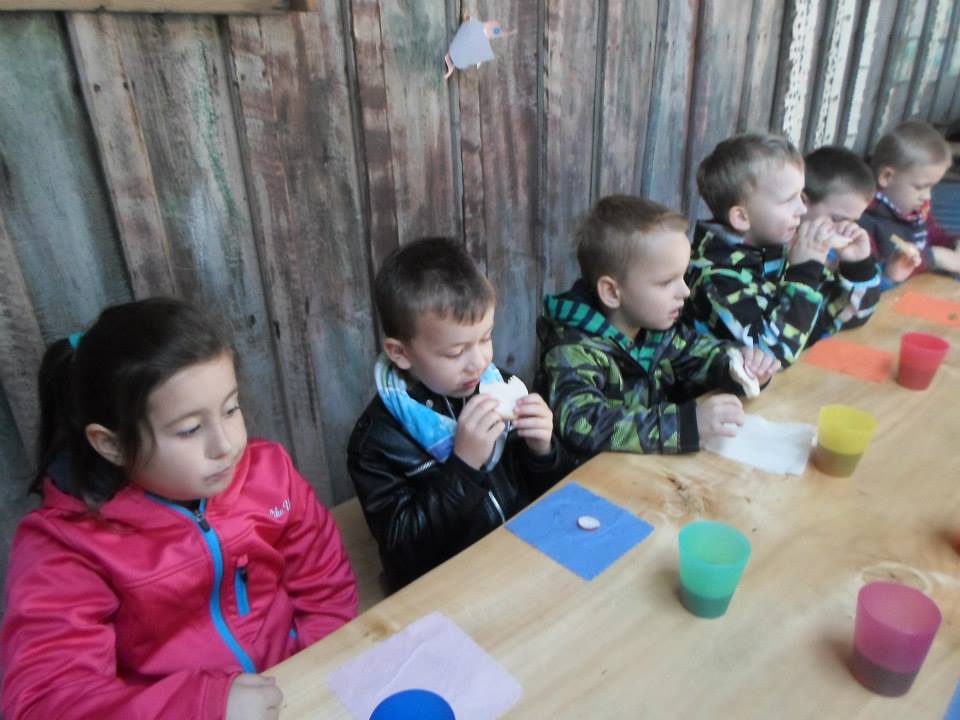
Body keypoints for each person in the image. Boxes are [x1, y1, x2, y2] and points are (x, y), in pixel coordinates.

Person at [1, 298, 358, 720]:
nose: (226, 445)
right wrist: (203, 707)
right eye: (189, 429)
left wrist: (316, 665)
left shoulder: (269, 473)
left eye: (231, 409)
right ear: (112, 445)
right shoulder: (65, 548)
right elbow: (43, 702)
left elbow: (323, 580)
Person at [348, 237, 570, 592]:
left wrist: (543, 450)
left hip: (522, 557)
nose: (479, 361)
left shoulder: (498, 385)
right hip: (450, 588)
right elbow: (404, 552)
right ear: (401, 353)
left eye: (486, 338)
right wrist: (463, 467)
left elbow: (550, 493)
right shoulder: (377, 443)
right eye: (455, 352)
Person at [538, 195, 779, 461]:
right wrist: (682, 427)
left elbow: (704, 355)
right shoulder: (571, 350)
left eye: (683, 276)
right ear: (612, 292)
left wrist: (739, 366)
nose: (685, 291)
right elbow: (583, 425)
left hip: (645, 469)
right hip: (589, 480)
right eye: (666, 282)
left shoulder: (657, 330)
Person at [684, 133, 881, 366]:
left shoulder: (778, 252)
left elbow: (845, 318)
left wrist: (857, 267)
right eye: (789, 200)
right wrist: (803, 274)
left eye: (801, 197)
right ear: (742, 217)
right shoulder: (715, 276)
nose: (801, 209)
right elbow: (771, 355)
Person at [859, 119, 960, 286]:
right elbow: (873, 278)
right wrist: (935, 257)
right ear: (886, 177)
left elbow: (935, 236)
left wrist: (954, 243)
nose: (927, 196)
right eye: (920, 187)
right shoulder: (866, 221)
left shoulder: (915, 211)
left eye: (931, 187)